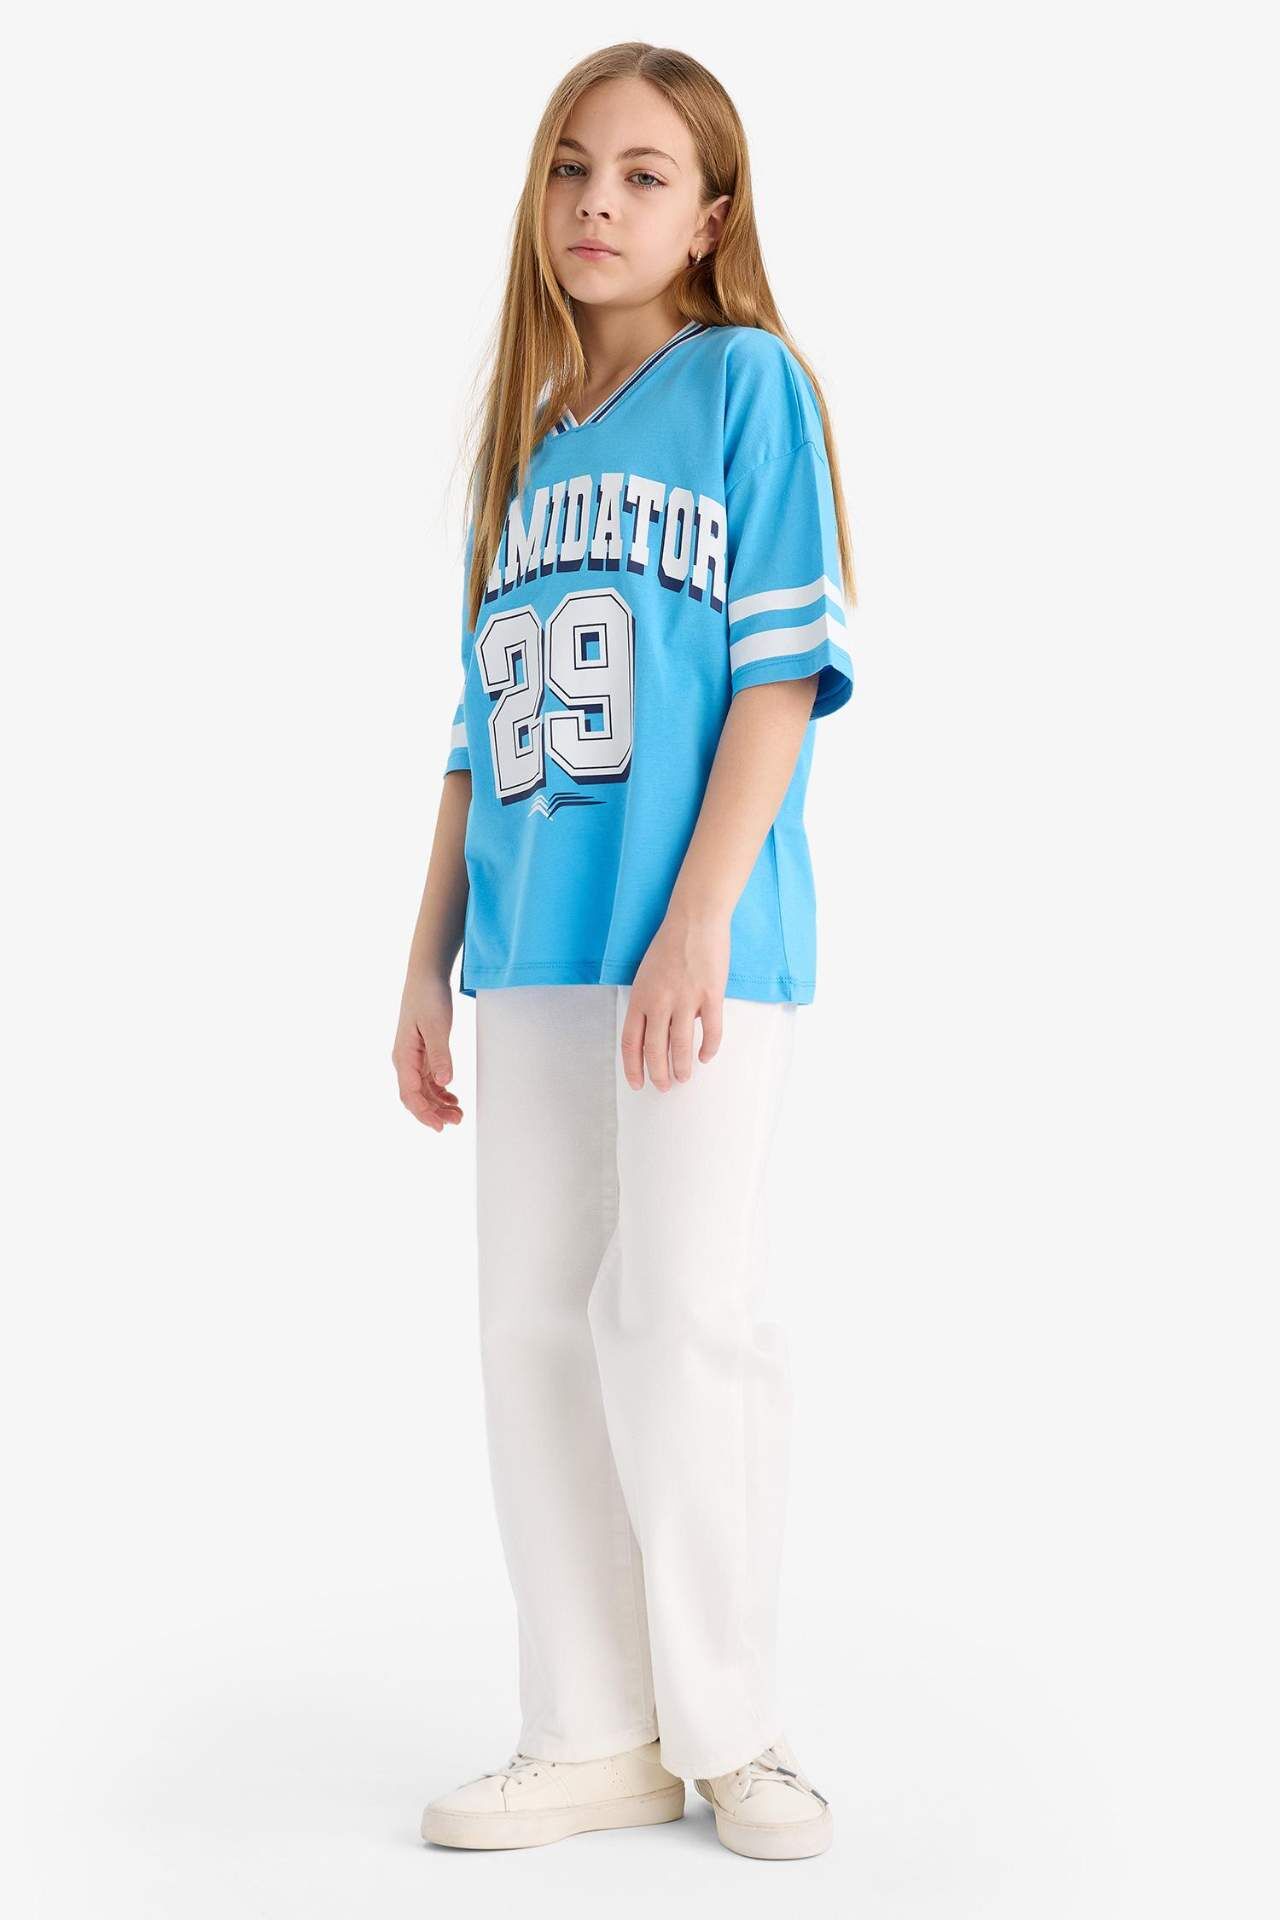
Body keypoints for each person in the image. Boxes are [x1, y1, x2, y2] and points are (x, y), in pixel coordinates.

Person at [392, 41, 856, 1862]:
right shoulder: (521, 454)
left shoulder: (747, 386)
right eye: (573, 168)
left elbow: (778, 677)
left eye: (645, 174)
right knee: (532, 1328)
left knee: (678, 1316)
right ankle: (589, 1727)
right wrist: (424, 960)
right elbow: (471, 736)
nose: (598, 202)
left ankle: (736, 1730)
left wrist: (698, 921)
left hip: (696, 952)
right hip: (532, 956)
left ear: (711, 216)